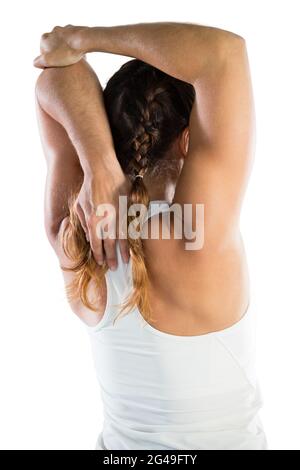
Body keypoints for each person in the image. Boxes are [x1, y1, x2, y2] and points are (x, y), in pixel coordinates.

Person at [34, 22, 267, 450]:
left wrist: (99, 160)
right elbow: (224, 53)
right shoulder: (200, 236)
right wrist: (87, 38)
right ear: (186, 142)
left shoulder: (76, 239)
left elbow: (52, 76)